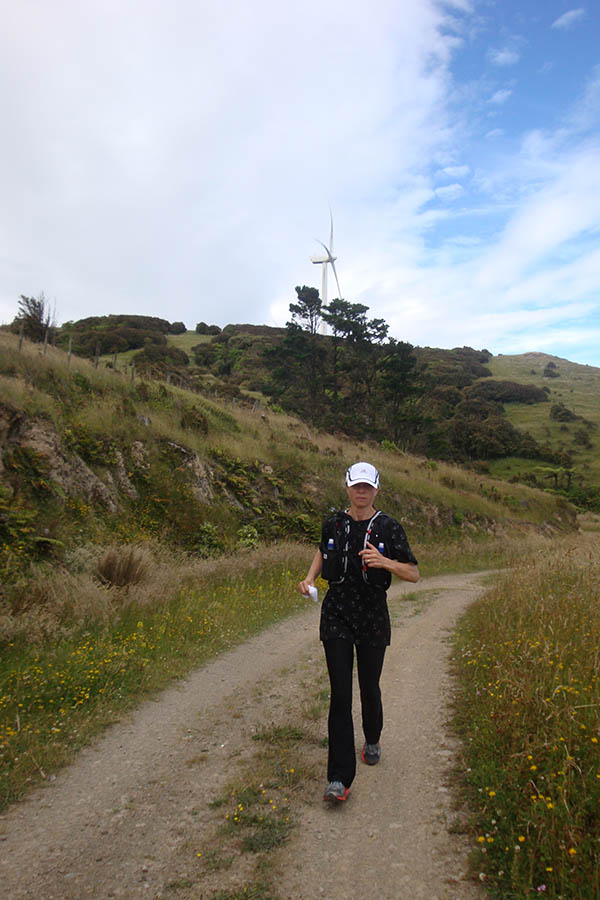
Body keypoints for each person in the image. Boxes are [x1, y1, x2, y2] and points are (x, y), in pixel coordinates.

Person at [298, 461, 419, 803]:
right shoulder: (334, 522)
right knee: (340, 693)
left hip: (372, 616)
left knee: (369, 685)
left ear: (377, 489)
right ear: (347, 487)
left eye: (367, 486)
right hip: (336, 613)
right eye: (356, 486)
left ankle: (372, 737)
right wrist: (309, 578)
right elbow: (323, 550)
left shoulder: (389, 528)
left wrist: (386, 563)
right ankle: (338, 778)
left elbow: (413, 573)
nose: (361, 491)